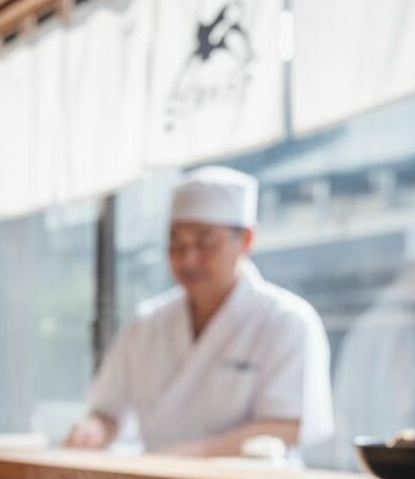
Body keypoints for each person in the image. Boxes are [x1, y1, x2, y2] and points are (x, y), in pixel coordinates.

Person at [65, 166, 334, 456]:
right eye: (177, 244)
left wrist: (181, 457)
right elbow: (108, 411)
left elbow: (286, 426)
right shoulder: (147, 322)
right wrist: (94, 429)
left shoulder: (286, 320)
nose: (189, 259)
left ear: (245, 240)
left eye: (205, 242)